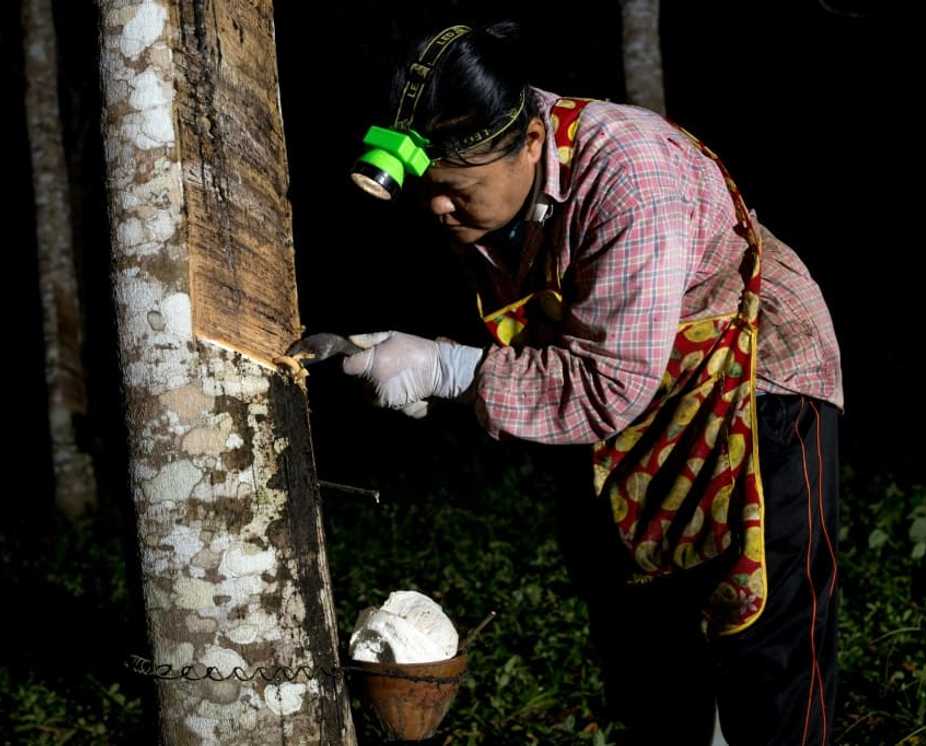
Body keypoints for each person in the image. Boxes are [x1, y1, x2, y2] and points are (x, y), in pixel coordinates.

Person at [341, 21, 843, 746]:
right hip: (635, 407)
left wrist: (451, 369)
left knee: (765, 640)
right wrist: (418, 357)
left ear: (532, 144)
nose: (438, 209)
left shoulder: (630, 173)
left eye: (455, 191)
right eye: (426, 190)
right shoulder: (489, 179)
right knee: (639, 631)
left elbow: (607, 383)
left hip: (756, 381)